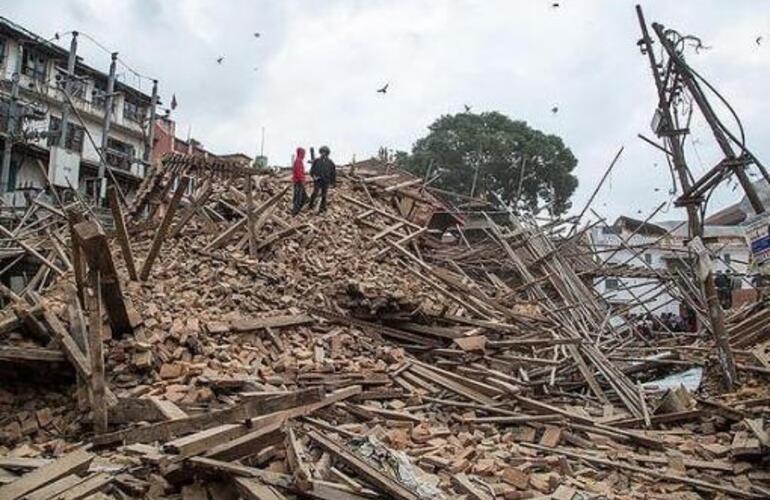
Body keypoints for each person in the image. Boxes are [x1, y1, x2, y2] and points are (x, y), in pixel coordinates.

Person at [308, 145, 336, 213]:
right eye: (322, 152)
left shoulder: (330, 162)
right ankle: (310, 205)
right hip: (318, 180)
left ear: (327, 153)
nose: (323, 153)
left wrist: (333, 182)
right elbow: (311, 171)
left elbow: (333, 173)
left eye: (325, 152)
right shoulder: (316, 161)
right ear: (320, 152)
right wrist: (314, 176)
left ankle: (323, 208)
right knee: (315, 192)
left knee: (324, 195)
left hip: (326, 181)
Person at [291, 147, 307, 215]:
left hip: (298, 181)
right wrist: (302, 180)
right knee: (298, 197)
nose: (304, 155)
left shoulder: (298, 160)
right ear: (301, 153)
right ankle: (295, 211)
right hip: (298, 182)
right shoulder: (298, 161)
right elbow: (299, 172)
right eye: (303, 154)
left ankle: (298, 210)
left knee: (303, 197)